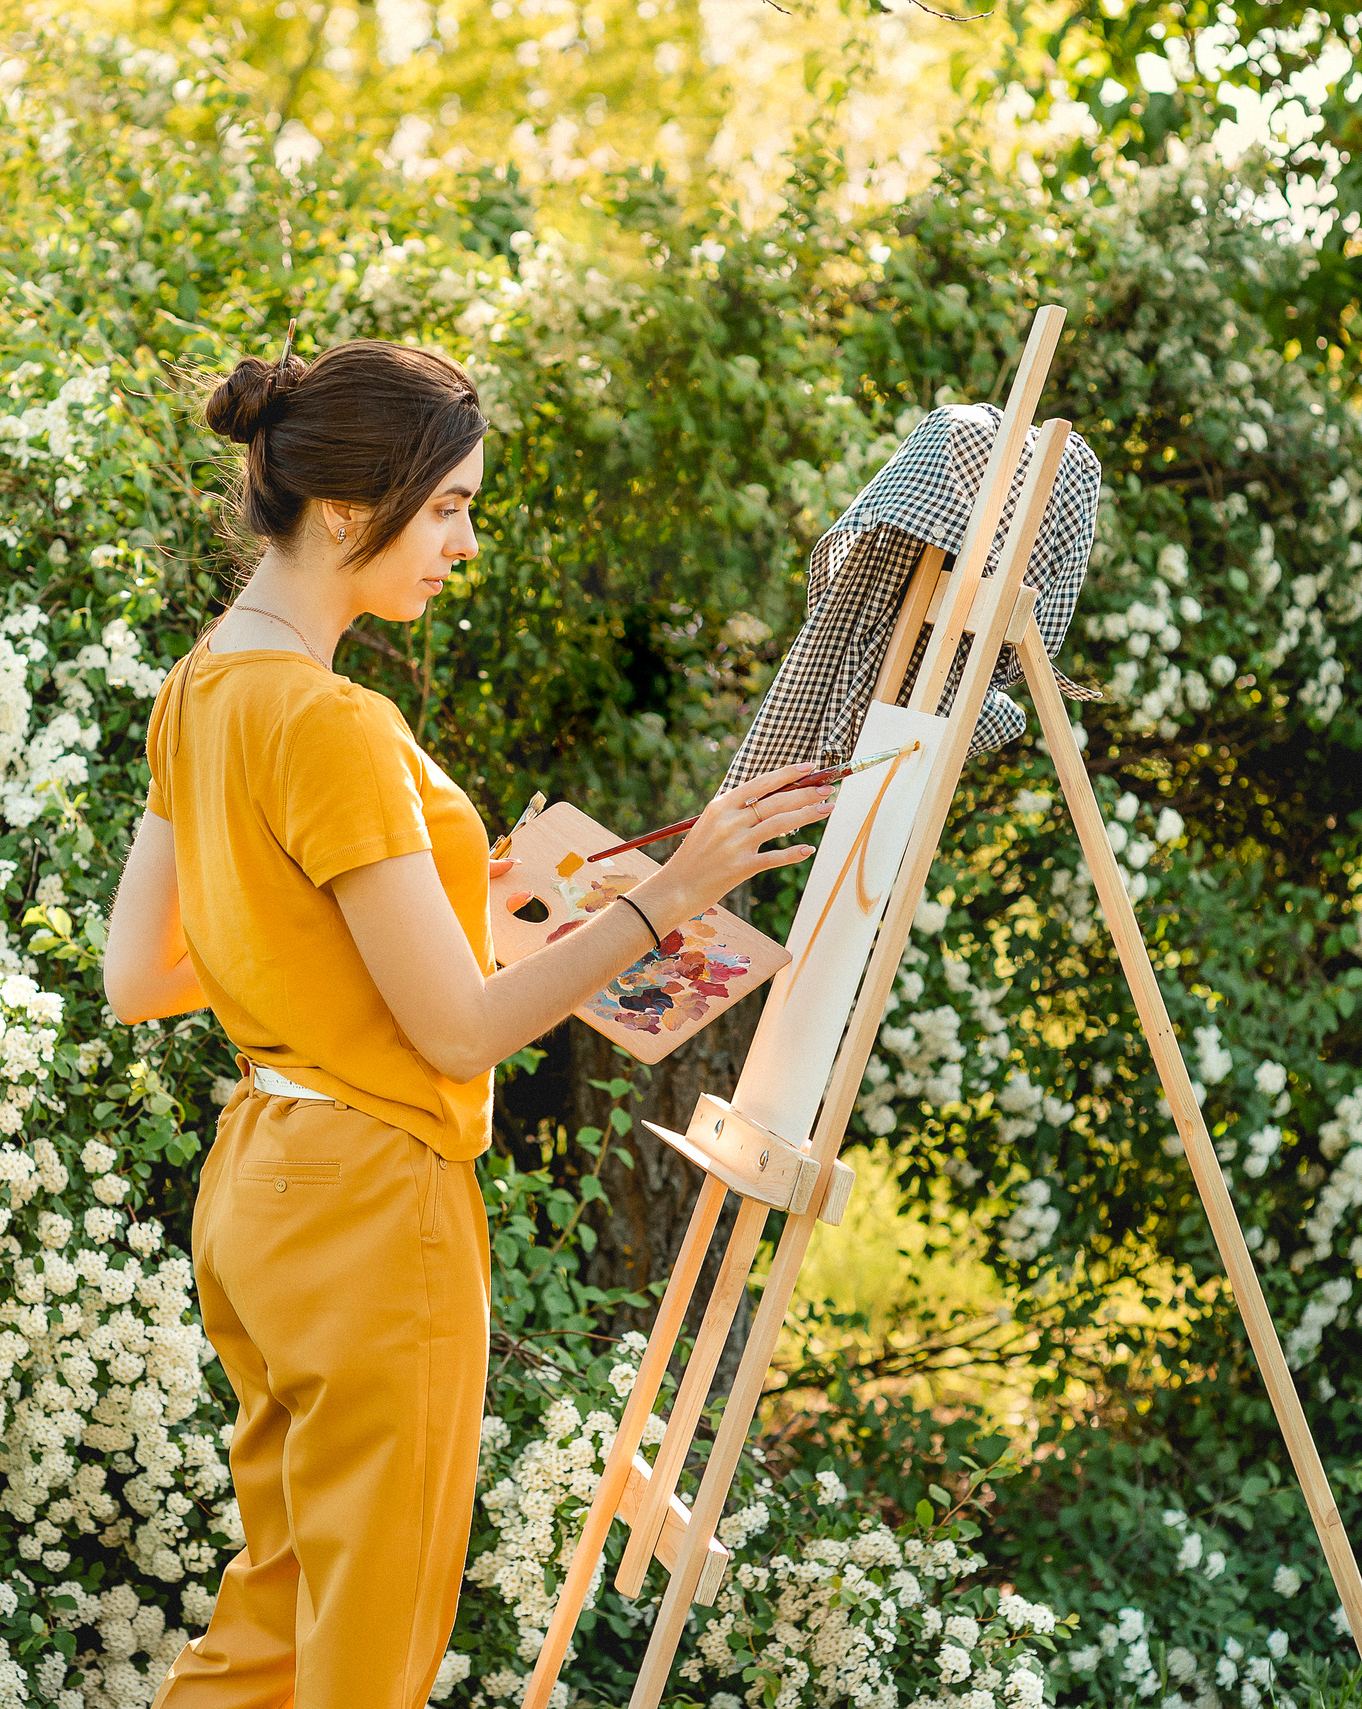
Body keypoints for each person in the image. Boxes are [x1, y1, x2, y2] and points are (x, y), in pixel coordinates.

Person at [103, 336, 832, 1709]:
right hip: (375, 1199)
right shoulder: (332, 722)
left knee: (276, 1627)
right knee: (365, 1653)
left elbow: (142, 975)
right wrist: (670, 896)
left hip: (262, 1184)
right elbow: (457, 1033)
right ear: (345, 510)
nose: (465, 544)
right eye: (447, 507)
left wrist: (401, 926)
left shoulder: (199, 688)